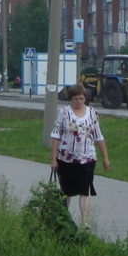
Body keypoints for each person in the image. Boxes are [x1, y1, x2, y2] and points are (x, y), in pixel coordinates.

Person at [50, 84, 110, 229]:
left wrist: (105, 158)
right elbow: (56, 135)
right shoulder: (64, 112)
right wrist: (53, 159)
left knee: (85, 189)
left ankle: (84, 221)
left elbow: (98, 136)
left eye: (81, 98)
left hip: (87, 157)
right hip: (66, 158)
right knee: (67, 190)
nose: (79, 102)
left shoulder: (92, 113)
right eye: (76, 99)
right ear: (71, 99)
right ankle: (64, 218)